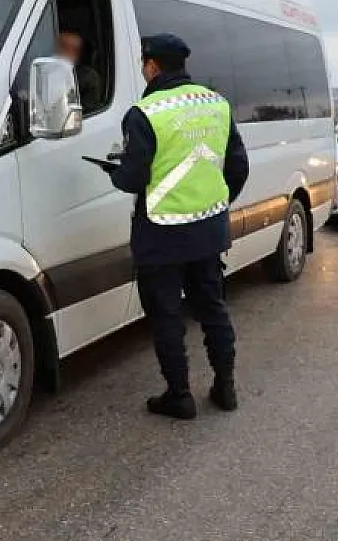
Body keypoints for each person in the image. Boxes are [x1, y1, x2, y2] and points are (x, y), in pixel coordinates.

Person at [105, 33, 249, 420]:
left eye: (142, 63)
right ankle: (226, 387)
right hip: (208, 230)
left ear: (152, 65)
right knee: (213, 309)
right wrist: (214, 204)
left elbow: (134, 178)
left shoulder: (145, 112)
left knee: (167, 316)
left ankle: (180, 396)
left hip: (161, 235)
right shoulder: (216, 103)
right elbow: (237, 168)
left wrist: (114, 174)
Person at [55, 31, 104, 112]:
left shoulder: (88, 78)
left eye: (74, 50)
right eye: (63, 46)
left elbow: (87, 111)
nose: (66, 53)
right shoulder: (42, 72)